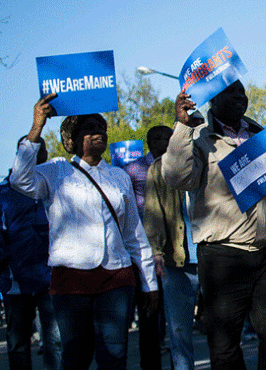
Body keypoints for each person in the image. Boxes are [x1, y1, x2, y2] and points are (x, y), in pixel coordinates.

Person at [162, 80, 266, 370]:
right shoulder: (199, 136)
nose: (239, 97)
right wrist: (182, 127)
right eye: (231, 92)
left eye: (242, 91)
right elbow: (177, 178)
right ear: (213, 98)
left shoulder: (264, 136)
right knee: (224, 347)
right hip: (222, 257)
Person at [11, 94, 159, 370]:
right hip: (71, 280)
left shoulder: (119, 176)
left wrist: (149, 282)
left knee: (114, 357)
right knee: (76, 357)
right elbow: (20, 180)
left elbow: (134, 235)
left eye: (100, 128)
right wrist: (36, 128)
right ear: (72, 140)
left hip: (116, 277)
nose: (97, 133)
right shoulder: (56, 171)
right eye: (89, 129)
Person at [0, 137, 61, 370]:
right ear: (20, 155)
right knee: (18, 344)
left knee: (55, 342)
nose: (38, 155)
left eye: (42, 150)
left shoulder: (54, 186)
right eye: (32, 151)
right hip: (16, 283)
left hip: (51, 278)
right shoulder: (3, 192)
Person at [142, 125, 199, 370]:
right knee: (179, 331)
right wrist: (155, 251)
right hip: (177, 261)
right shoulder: (157, 169)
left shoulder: (205, 159)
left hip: (214, 255)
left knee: (224, 327)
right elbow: (153, 214)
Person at [122, 125, 172, 369]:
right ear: (149, 141)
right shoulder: (133, 169)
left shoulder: (178, 164)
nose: (161, 141)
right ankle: (150, 363)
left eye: (166, 137)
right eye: (156, 137)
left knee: (172, 312)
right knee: (149, 309)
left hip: (174, 244)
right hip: (144, 246)